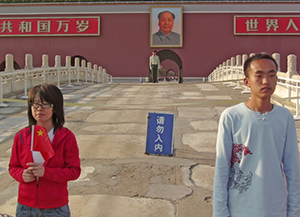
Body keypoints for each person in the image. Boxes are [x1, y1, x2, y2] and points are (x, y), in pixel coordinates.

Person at [213, 53, 300, 217]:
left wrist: (294, 211)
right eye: (259, 76)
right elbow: (222, 169)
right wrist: (220, 212)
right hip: (240, 207)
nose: (266, 81)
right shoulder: (232, 116)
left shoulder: (285, 117)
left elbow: (293, 170)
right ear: (246, 81)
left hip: (276, 207)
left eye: (272, 75)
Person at [9, 83, 81, 217]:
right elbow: (13, 167)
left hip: (55, 207)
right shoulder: (22, 136)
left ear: (55, 108)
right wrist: (21, 175)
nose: (39, 109)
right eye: (35, 104)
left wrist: (46, 172)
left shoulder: (65, 137)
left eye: (45, 104)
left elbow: (74, 171)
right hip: (26, 207)